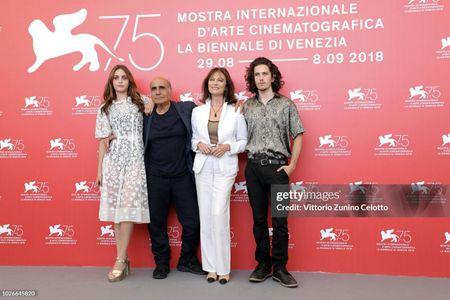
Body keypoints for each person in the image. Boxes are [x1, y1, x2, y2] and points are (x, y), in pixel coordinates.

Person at [243, 57, 304, 288]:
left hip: (279, 169)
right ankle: (262, 265)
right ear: (253, 79)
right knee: (258, 219)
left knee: (280, 221)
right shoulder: (246, 106)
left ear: (273, 77)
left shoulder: (286, 104)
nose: (260, 78)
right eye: (256, 74)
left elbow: (298, 134)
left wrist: (292, 165)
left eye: (264, 74)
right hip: (254, 168)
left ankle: (280, 268)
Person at [143, 77, 206, 279]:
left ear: (170, 90)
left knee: (193, 222)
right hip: (155, 178)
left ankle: (187, 260)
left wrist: (236, 105)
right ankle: (161, 263)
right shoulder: (146, 115)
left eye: (162, 88)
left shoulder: (186, 109)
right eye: (154, 89)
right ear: (150, 93)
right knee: (155, 223)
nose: (158, 91)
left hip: (182, 177)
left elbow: (213, 109)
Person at [191, 68, 247, 284]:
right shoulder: (197, 112)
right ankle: (211, 268)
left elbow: (243, 142)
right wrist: (200, 145)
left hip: (225, 167)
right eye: (212, 79)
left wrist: (227, 146)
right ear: (207, 84)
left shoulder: (236, 110)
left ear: (226, 85)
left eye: (220, 80)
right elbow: (193, 140)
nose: (215, 83)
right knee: (205, 217)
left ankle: (224, 268)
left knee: (217, 214)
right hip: (203, 167)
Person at [95, 64, 150, 282]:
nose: (120, 81)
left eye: (124, 77)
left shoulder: (141, 101)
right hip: (113, 162)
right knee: (117, 212)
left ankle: (119, 259)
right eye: (116, 78)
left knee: (126, 207)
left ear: (129, 81)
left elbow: (160, 107)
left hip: (136, 159)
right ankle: (123, 257)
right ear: (111, 82)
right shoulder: (104, 108)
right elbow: (103, 141)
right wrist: (99, 170)